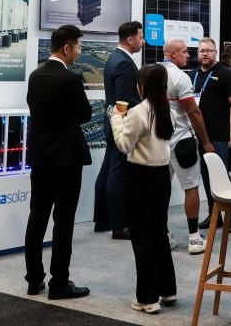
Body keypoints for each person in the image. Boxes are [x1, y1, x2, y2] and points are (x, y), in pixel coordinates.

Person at [23, 25, 92, 300]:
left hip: (41, 158)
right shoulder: (71, 80)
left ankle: (33, 279)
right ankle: (59, 283)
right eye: (77, 47)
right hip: (67, 159)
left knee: (37, 216)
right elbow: (85, 114)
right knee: (63, 220)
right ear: (66, 48)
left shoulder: (35, 76)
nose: (78, 53)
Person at [110, 64, 178, 314]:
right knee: (159, 232)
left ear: (142, 86)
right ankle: (167, 289)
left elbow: (124, 145)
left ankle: (147, 298)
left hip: (139, 177)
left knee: (142, 237)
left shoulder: (139, 112)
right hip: (161, 177)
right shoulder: (167, 111)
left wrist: (117, 119)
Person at [161, 39, 214, 255]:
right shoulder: (180, 77)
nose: (188, 56)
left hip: (158, 142)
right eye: (184, 52)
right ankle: (194, 237)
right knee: (191, 187)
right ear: (173, 54)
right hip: (182, 140)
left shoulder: (149, 74)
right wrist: (206, 142)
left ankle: (163, 235)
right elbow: (193, 112)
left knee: (160, 189)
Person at [93, 20, 145, 239]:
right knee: (117, 173)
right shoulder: (123, 62)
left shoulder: (115, 58)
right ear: (130, 39)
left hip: (113, 123)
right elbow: (124, 100)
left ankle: (103, 219)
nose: (143, 41)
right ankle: (119, 225)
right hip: (121, 125)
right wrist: (142, 110)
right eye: (141, 37)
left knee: (107, 170)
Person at [191, 37, 231, 231]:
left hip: (218, 135)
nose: (204, 53)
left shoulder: (226, 74)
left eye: (208, 50)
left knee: (221, 176)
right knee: (205, 175)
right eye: (201, 51)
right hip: (198, 135)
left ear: (215, 53)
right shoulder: (194, 74)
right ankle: (215, 215)